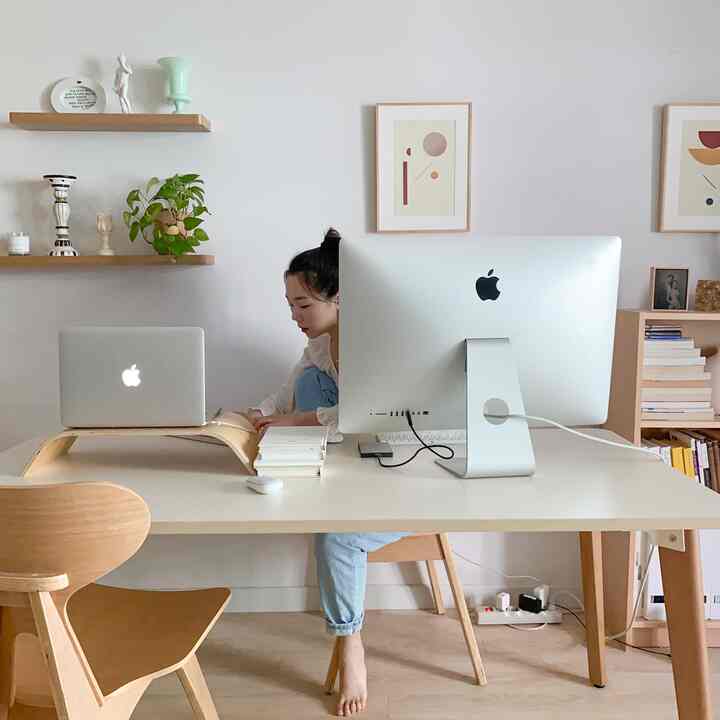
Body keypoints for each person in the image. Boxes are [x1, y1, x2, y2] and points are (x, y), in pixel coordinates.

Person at [246, 228, 408, 717]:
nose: (294, 316)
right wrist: (252, 416)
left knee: (335, 537)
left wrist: (294, 420)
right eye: (290, 305)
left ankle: (350, 644)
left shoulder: (376, 344)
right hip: (345, 460)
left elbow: (368, 412)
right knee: (311, 381)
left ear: (338, 299)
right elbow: (286, 391)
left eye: (303, 306)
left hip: (394, 470)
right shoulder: (319, 347)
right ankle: (314, 476)